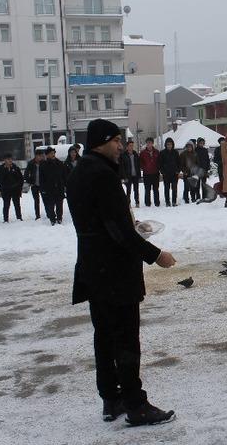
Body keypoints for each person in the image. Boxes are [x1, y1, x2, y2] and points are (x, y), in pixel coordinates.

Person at [66, 118, 177, 426]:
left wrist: (130, 226)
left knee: (104, 336)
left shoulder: (79, 172)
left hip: (92, 267)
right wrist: (156, 255)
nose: (120, 146)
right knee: (126, 339)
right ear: (102, 141)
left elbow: (103, 223)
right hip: (114, 271)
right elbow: (117, 230)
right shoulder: (103, 175)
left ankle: (111, 398)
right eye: (116, 141)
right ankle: (135, 404)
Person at [39, 147, 66, 225]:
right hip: (49, 188)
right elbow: (41, 178)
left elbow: (64, 176)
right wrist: (42, 188)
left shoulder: (60, 163)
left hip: (59, 187)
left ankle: (59, 218)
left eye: (53, 153)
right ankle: (52, 219)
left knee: (59, 204)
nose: (53, 154)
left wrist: (64, 185)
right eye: (51, 153)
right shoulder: (43, 165)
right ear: (47, 155)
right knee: (50, 205)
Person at [0, 154, 24, 222]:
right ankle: (5, 219)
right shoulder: (1, 169)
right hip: (5, 190)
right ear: (4, 160)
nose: (10, 160)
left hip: (15, 189)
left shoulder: (15, 168)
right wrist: (1, 187)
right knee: (6, 205)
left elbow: (20, 179)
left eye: (11, 159)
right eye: (8, 159)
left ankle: (19, 217)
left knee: (17, 204)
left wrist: (19, 187)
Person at [23, 149, 46, 220]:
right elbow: (26, 174)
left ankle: (49, 213)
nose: (41, 157)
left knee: (45, 200)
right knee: (36, 200)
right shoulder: (31, 163)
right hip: (34, 185)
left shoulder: (44, 163)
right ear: (36, 156)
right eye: (40, 156)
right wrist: (30, 181)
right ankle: (37, 215)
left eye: (42, 156)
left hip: (43, 184)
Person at [158, 138, 180, 207]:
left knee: (174, 188)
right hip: (166, 174)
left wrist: (178, 171)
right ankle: (167, 202)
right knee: (166, 189)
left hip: (174, 174)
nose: (169, 146)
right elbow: (160, 164)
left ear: (172, 145)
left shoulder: (175, 152)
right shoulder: (162, 153)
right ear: (166, 145)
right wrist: (162, 172)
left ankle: (174, 201)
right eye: (168, 144)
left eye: (170, 144)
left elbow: (179, 163)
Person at [139, 138, 160, 207]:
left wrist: (158, 168)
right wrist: (144, 168)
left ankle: (157, 202)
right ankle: (147, 203)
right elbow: (140, 163)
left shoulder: (157, 152)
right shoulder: (142, 153)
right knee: (147, 189)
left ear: (152, 143)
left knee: (156, 189)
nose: (149, 144)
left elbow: (160, 161)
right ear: (146, 144)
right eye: (148, 143)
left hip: (155, 173)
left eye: (150, 143)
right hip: (146, 174)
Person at [120, 140, 141, 207]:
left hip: (135, 175)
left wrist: (139, 175)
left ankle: (137, 202)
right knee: (128, 190)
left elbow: (138, 165)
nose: (131, 147)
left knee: (136, 190)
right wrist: (124, 177)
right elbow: (122, 167)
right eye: (130, 146)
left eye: (132, 146)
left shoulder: (135, 154)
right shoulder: (123, 155)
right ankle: (128, 203)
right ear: (127, 147)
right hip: (128, 176)